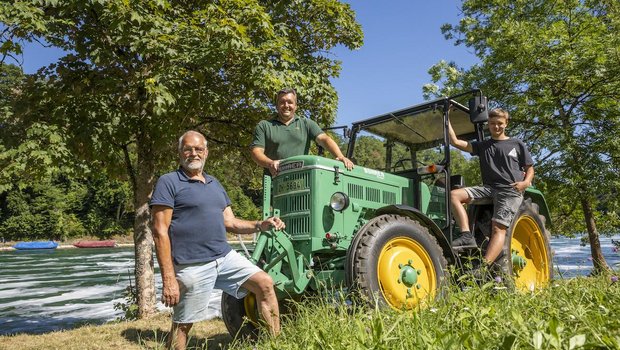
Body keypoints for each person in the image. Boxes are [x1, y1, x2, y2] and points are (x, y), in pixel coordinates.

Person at [151, 130, 285, 350]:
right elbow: (159, 231)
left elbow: (230, 222)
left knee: (265, 284)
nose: (193, 153)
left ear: (206, 152)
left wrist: (260, 225)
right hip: (192, 263)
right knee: (184, 324)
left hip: (224, 258)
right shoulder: (169, 182)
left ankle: (277, 345)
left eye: (198, 149)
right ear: (180, 153)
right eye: (188, 149)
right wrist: (168, 278)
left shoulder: (214, 184)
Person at [448, 108, 534, 267]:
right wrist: (445, 118)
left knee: (498, 229)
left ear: (506, 123)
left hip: (510, 190)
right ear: (488, 124)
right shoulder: (484, 145)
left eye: (500, 123)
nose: (496, 127)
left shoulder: (516, 144)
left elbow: (529, 168)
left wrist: (525, 182)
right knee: (454, 195)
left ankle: (483, 267)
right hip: (489, 188)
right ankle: (466, 235)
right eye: (493, 123)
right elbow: (455, 142)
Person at [250, 88, 354, 176]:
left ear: (296, 106)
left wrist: (340, 156)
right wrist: (270, 163)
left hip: (301, 182)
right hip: (274, 183)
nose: (286, 105)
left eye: (290, 102)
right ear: (277, 106)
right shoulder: (264, 126)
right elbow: (256, 152)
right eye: (282, 102)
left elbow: (324, 139)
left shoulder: (306, 124)